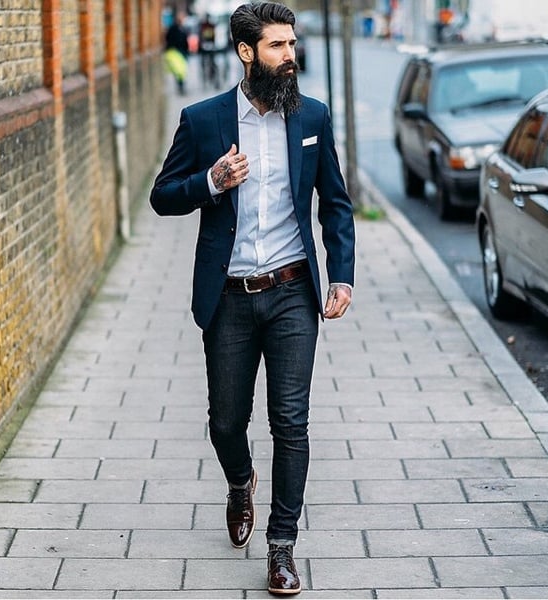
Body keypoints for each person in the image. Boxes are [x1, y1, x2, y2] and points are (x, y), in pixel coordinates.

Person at [150, 2, 355, 595]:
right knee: (224, 422)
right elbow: (163, 196)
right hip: (231, 297)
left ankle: (282, 546)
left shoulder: (312, 116)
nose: (290, 56)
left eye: (292, 44)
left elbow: (335, 204)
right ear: (246, 52)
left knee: (291, 421)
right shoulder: (205, 119)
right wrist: (210, 182)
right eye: (277, 46)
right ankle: (240, 481)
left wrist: (340, 274)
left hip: (293, 293)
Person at [164, 12, 189, 94]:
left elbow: (185, 40)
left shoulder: (183, 28)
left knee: (182, 70)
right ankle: (180, 85)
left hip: (183, 51)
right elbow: (168, 39)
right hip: (175, 51)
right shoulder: (173, 29)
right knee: (178, 70)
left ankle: (181, 84)